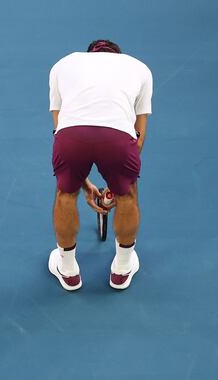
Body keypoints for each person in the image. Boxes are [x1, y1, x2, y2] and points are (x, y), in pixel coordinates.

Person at [47, 39, 153, 290]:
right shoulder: (140, 68)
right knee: (128, 195)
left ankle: (68, 270)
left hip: (71, 136)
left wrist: (82, 184)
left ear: (89, 54)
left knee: (65, 194)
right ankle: (122, 269)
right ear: (118, 55)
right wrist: (119, 185)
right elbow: (138, 136)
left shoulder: (62, 65)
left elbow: (59, 127)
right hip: (117, 139)